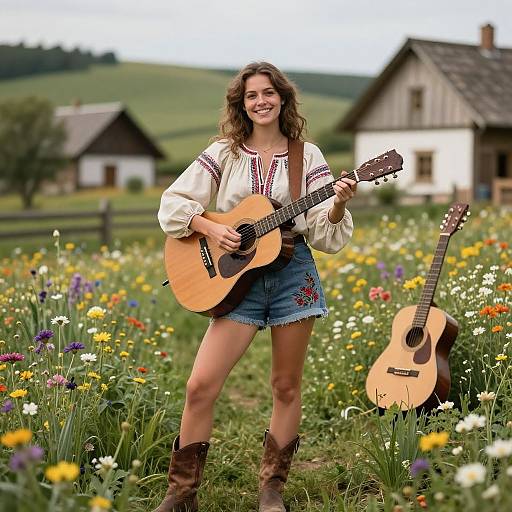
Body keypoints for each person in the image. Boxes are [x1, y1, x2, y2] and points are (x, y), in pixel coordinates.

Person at [155, 61, 357, 512]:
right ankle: (181, 493)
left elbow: (327, 236)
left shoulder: (310, 156)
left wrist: (340, 204)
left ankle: (271, 490)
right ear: (241, 104)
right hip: (233, 279)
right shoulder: (225, 153)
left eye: (268, 93)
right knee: (199, 386)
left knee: (285, 386)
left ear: (282, 99)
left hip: (293, 275)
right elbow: (172, 203)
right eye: (251, 95)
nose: (261, 101)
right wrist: (209, 227)